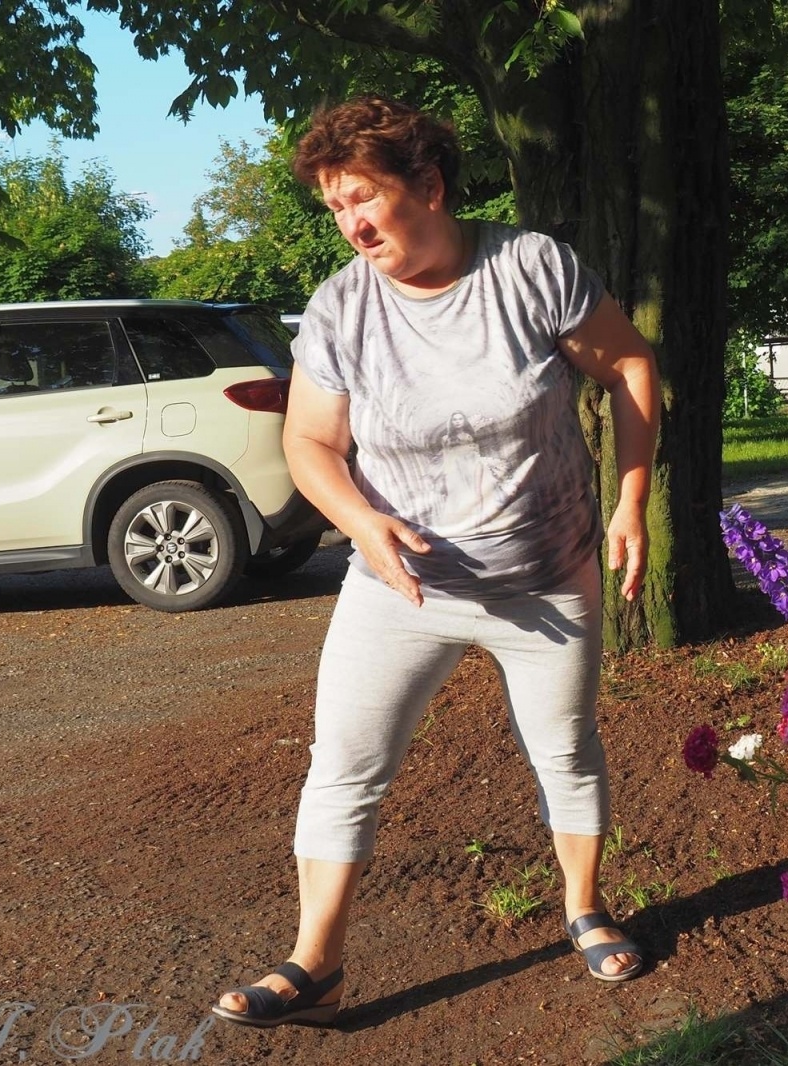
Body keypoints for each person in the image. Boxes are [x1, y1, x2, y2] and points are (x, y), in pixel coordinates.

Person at [212, 94, 661, 1028]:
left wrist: (630, 500)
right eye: (335, 207)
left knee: (566, 751)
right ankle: (316, 960)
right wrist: (363, 525)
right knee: (341, 764)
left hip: (547, 578)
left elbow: (628, 366)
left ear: (428, 186)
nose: (351, 224)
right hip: (399, 589)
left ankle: (583, 908)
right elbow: (311, 446)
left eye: (363, 197)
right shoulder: (341, 308)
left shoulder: (529, 268)